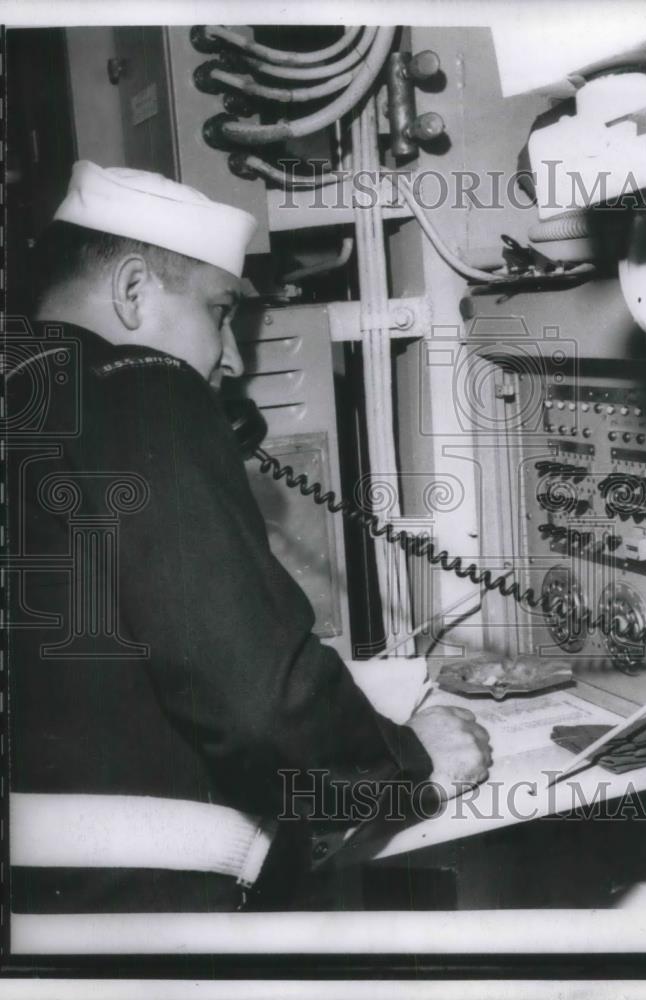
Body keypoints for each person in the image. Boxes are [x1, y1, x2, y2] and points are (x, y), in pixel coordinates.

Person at [7, 161, 491, 916]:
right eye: (220, 311)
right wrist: (412, 758)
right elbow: (259, 707)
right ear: (133, 292)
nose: (231, 360)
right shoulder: (140, 386)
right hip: (138, 902)